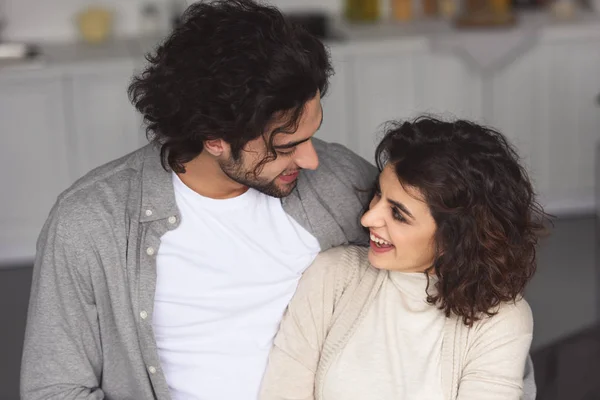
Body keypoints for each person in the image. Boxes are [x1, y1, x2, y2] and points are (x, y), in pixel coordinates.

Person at [20, 1, 376, 399]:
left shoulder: (343, 181)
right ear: (215, 140)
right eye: (286, 145)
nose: (312, 159)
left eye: (312, 134)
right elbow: (54, 389)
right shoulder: (90, 223)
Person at [260, 117, 549, 400]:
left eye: (398, 214)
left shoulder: (501, 320)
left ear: (454, 239)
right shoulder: (332, 275)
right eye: (378, 194)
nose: (368, 217)